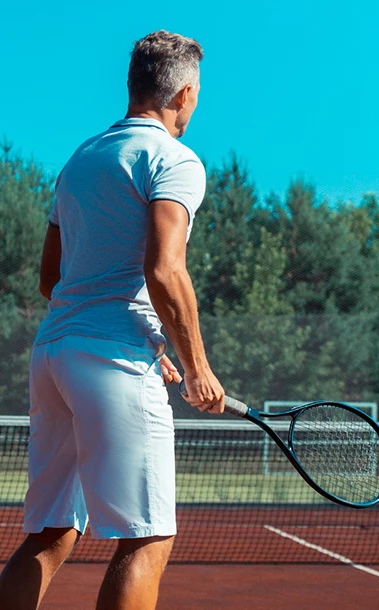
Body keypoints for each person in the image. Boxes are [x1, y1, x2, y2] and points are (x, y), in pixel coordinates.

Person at [0, 31, 225, 610]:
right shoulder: (174, 159)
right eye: (196, 96)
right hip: (112, 360)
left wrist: (151, 338)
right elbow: (164, 271)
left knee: (51, 530)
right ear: (183, 94)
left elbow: (51, 280)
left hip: (54, 354)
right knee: (147, 537)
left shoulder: (81, 158)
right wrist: (199, 368)